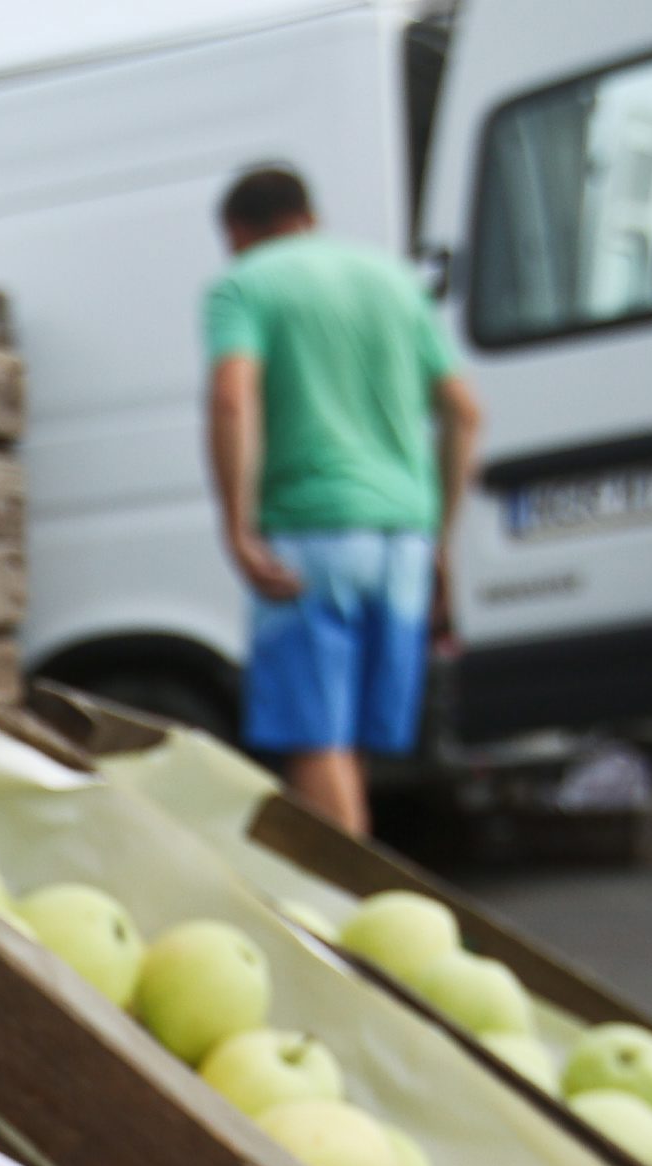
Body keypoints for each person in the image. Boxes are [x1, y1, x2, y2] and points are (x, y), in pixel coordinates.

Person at [204, 164, 479, 836]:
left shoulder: (246, 285)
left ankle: (344, 912)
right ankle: (364, 900)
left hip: (312, 533)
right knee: (352, 741)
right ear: (309, 212)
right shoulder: (396, 283)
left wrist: (237, 528)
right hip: (404, 537)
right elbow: (466, 414)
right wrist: (440, 538)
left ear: (239, 231)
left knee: (315, 739)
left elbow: (232, 397)